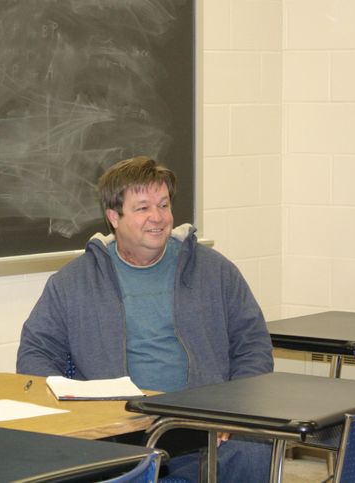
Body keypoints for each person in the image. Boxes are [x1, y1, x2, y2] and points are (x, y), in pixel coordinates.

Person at [16, 156, 273, 481]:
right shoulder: (73, 282)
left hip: (205, 428)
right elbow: (35, 353)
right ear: (114, 217)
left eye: (163, 205)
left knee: (252, 450)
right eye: (142, 208)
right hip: (123, 431)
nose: (158, 218)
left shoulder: (214, 271)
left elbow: (252, 345)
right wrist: (75, 411)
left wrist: (234, 409)